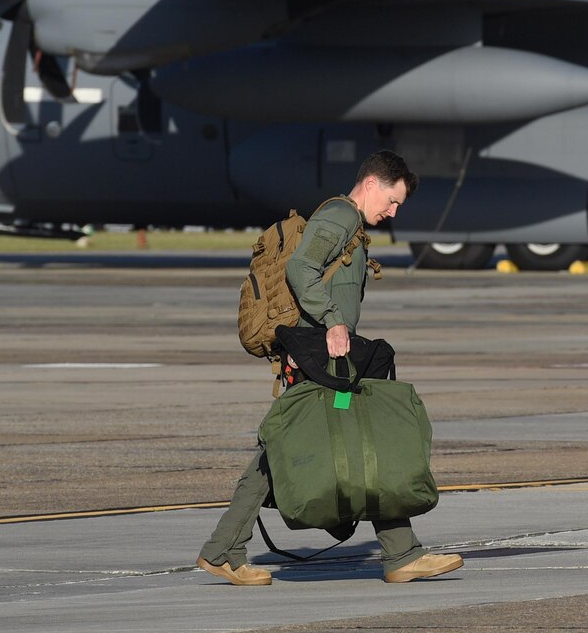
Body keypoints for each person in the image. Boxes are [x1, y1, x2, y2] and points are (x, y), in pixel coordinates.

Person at [198, 149, 463, 586]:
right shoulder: (339, 217)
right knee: (356, 442)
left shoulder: (349, 223)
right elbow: (302, 267)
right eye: (392, 201)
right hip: (316, 355)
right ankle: (400, 554)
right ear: (372, 184)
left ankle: (224, 549)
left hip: (320, 353)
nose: (393, 211)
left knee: (308, 450)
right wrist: (334, 320)